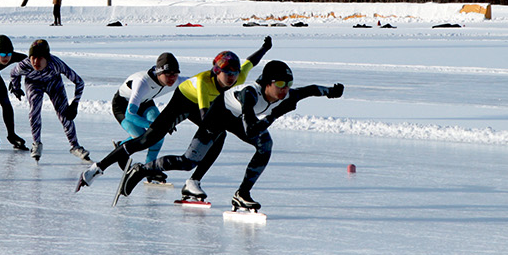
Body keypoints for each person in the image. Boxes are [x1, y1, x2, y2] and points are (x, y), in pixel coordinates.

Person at [118, 59, 343, 210]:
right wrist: (274, 116)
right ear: (266, 84)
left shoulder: (287, 95)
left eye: (288, 84)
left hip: (240, 121)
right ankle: (143, 169)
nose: (285, 89)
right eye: (280, 84)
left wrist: (331, 92)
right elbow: (250, 127)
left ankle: (242, 193)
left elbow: (312, 89)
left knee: (265, 145)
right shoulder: (250, 95)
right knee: (189, 162)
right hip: (219, 116)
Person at [78, 36, 272, 196]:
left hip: (202, 106)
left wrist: (265, 48)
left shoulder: (240, 76)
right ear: (216, 71)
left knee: (219, 136)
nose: (232, 77)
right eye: (227, 72)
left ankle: (193, 181)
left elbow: (250, 62)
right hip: (184, 101)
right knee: (147, 139)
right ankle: (97, 168)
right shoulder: (205, 82)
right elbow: (205, 115)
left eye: (235, 73)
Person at [7, 38, 87, 162]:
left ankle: (75, 146)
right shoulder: (25, 65)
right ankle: (37, 144)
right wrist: (16, 87)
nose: (35, 61)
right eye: (32, 57)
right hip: (33, 83)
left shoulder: (56, 64)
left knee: (64, 115)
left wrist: (75, 103)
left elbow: (79, 82)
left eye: (39, 58)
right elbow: (13, 74)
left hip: (53, 82)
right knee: (34, 111)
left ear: (47, 58)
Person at [109, 52, 182, 180]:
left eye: (175, 74)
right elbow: (130, 115)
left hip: (145, 102)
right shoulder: (142, 82)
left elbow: (198, 82)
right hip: (123, 106)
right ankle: (122, 148)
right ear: (159, 73)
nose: (172, 78)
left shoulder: (177, 81)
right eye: (168, 74)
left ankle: (150, 169)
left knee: (157, 135)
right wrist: (153, 126)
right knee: (141, 137)